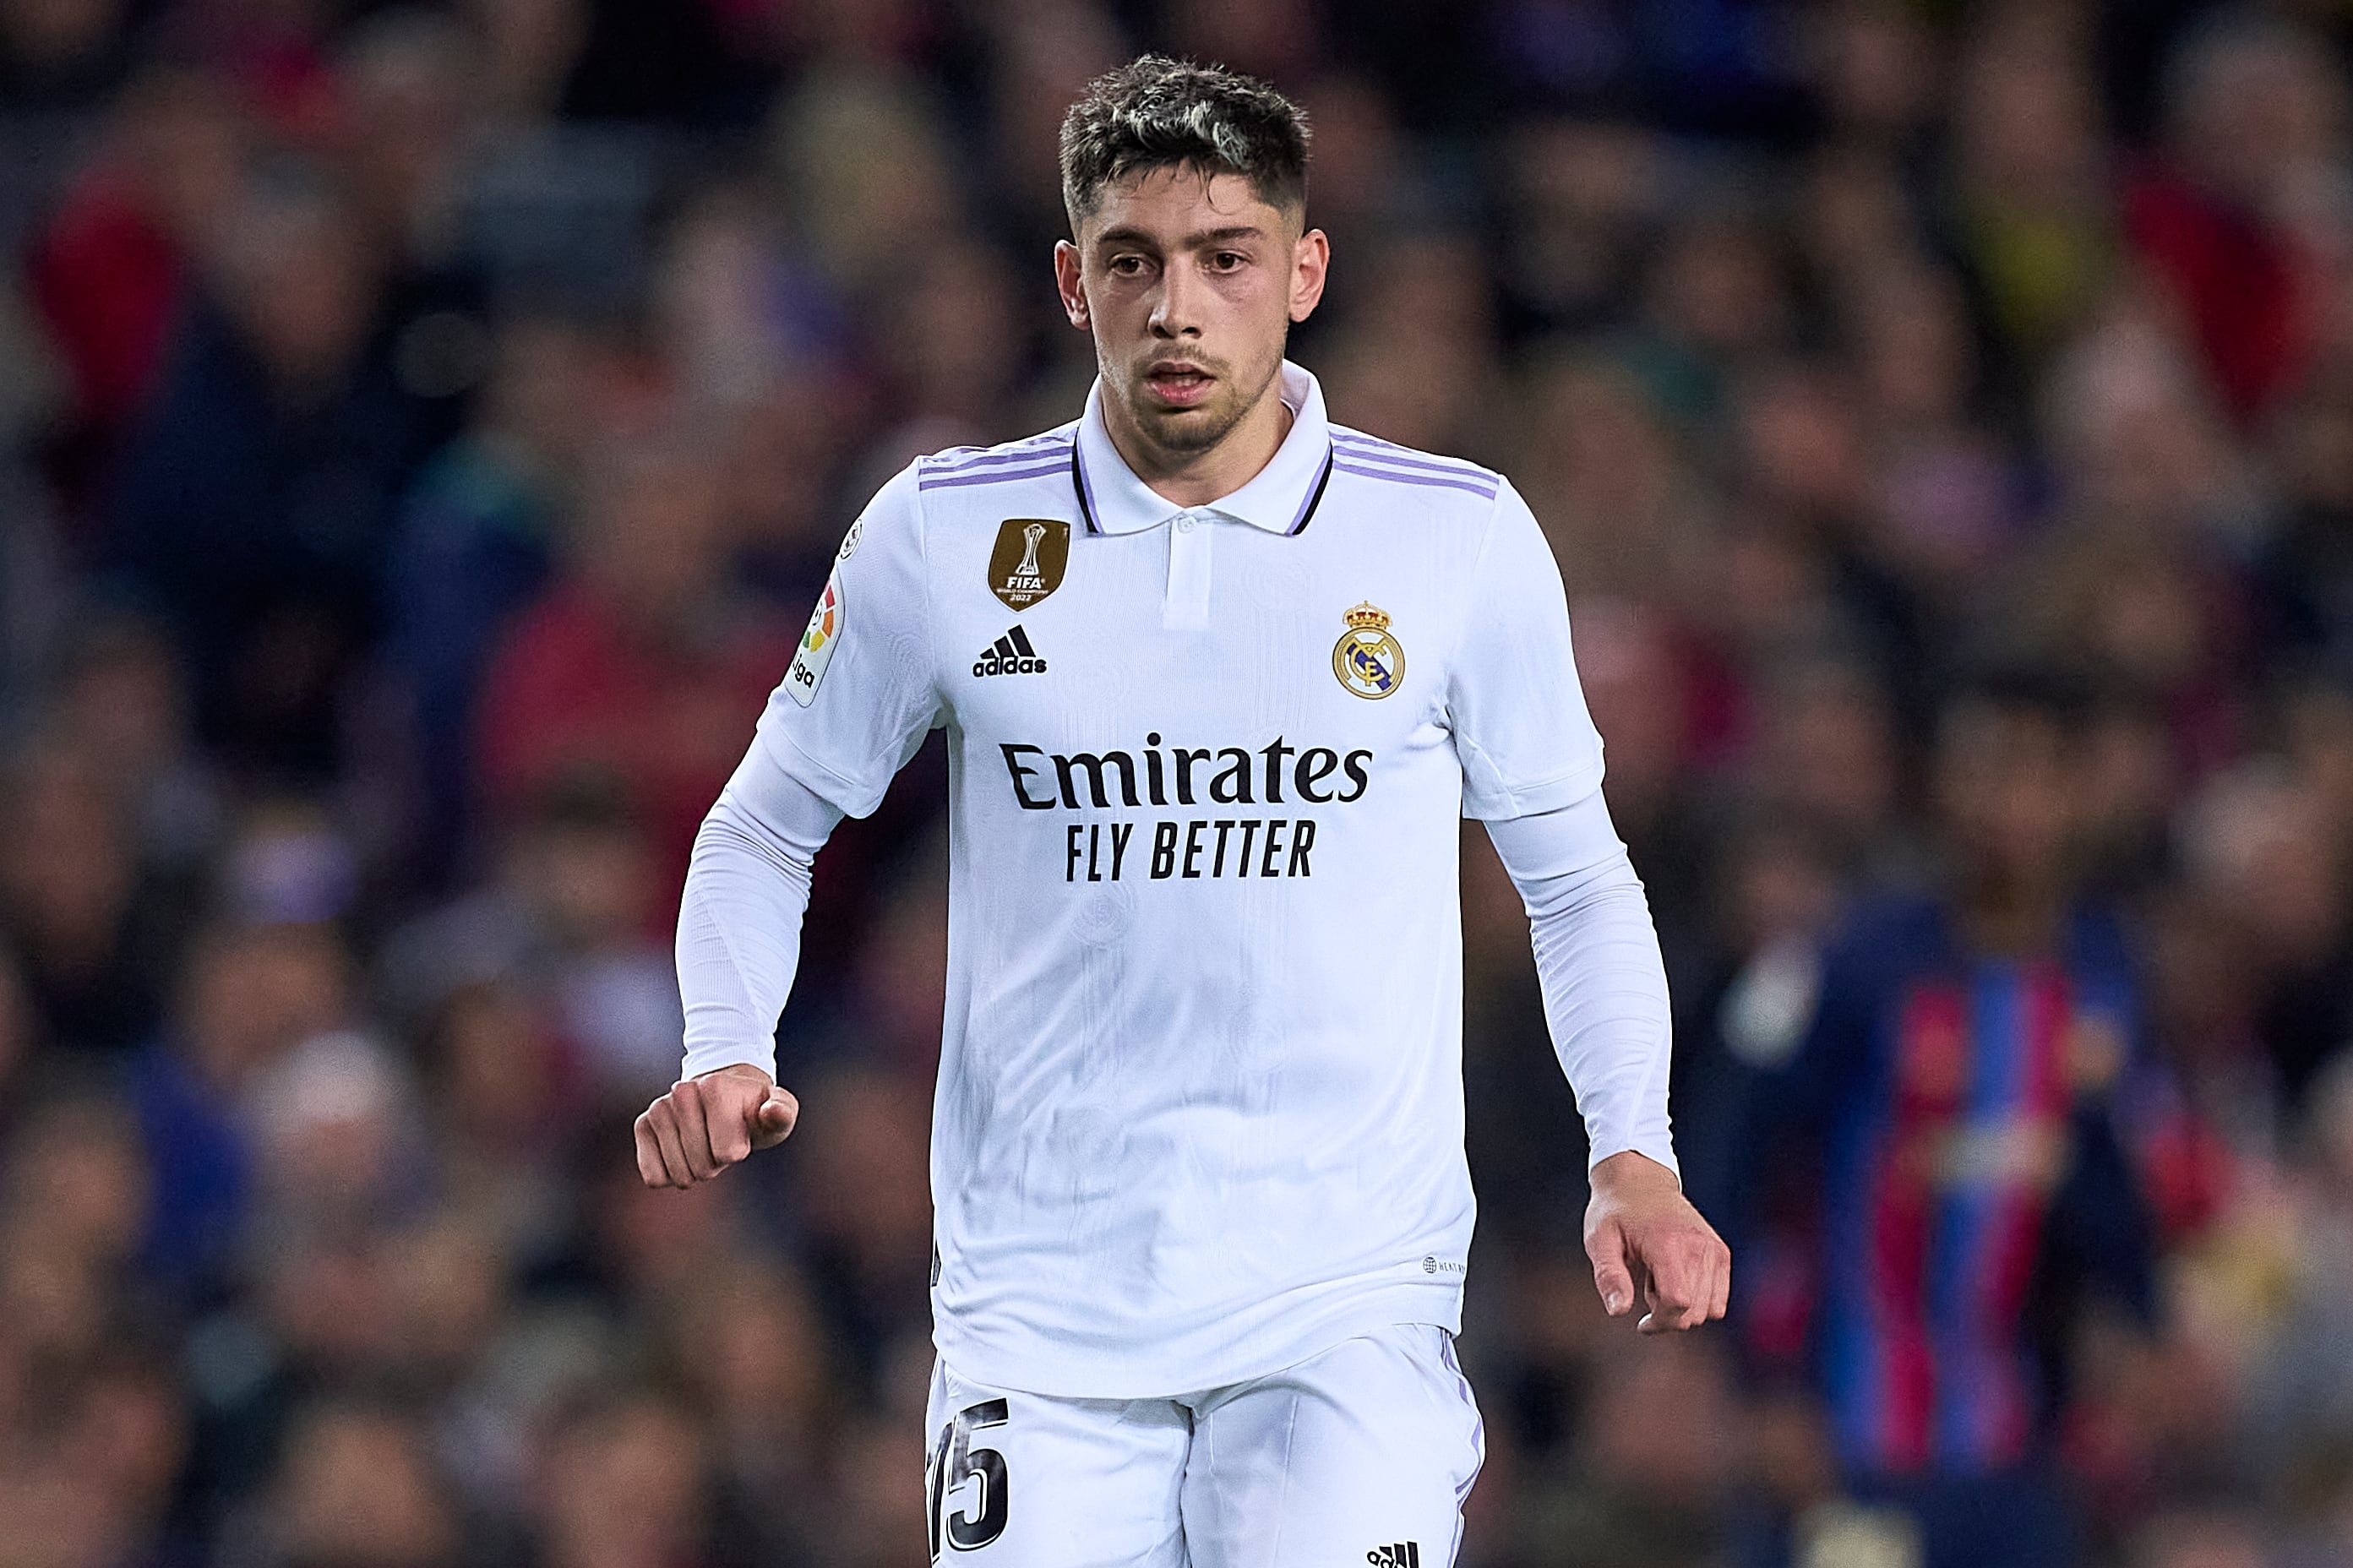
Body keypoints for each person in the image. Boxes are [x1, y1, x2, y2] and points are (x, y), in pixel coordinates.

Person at [631, 55, 1727, 1562]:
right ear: (1074, 281)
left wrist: (1633, 1154)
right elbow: (763, 824)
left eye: (1226, 258)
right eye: (1135, 263)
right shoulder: (947, 534)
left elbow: (1575, 879)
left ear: (1304, 272)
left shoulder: (1451, 538)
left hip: (1342, 1305)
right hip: (1040, 1319)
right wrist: (725, 1045)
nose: (1179, 306)